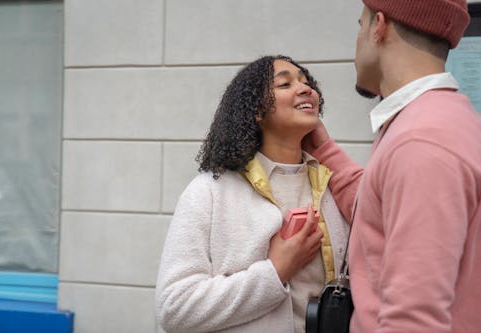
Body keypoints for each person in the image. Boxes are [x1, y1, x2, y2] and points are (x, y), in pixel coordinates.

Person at [302, 0, 481, 332]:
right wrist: (325, 150)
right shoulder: (442, 120)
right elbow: (387, 215)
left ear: (378, 26)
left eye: (360, 25)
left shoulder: (422, 143)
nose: (357, 39)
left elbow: (412, 323)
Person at [155, 55, 349, 333]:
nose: (306, 89)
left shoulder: (332, 186)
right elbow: (174, 307)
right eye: (285, 84)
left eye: (307, 83)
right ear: (257, 110)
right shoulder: (209, 191)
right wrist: (276, 271)